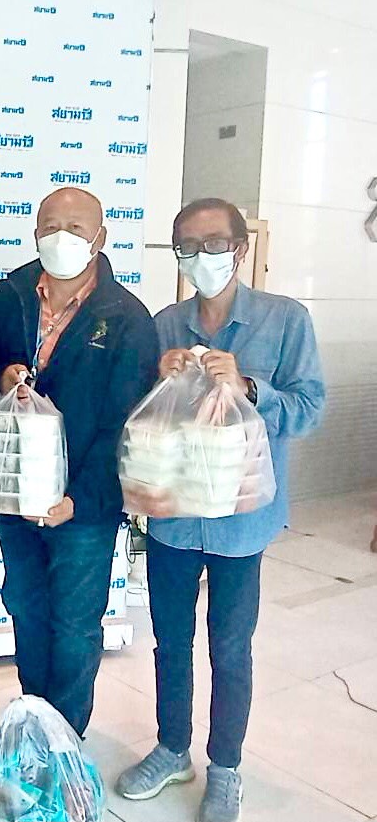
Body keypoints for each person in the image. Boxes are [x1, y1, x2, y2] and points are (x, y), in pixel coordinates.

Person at [115, 198, 325, 822]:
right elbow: (140, 416)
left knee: (230, 648)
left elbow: (310, 408)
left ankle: (226, 767)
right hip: (172, 514)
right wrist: (157, 377)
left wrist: (250, 388)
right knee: (169, 641)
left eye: (213, 244)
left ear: (240, 249)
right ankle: (171, 748)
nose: (200, 257)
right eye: (187, 246)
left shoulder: (285, 320)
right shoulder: (164, 325)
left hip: (241, 523)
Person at [0, 186, 159, 737]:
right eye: (51, 226)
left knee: (76, 626)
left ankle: (64, 739)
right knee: (25, 610)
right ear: (35, 232)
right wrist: (1, 377)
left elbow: (127, 422)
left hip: (84, 505)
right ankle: (33, 722)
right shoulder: (8, 297)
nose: (62, 237)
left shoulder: (127, 317)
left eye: (76, 228)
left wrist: (78, 498)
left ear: (100, 238)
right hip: (17, 492)